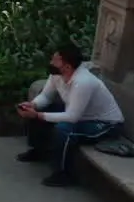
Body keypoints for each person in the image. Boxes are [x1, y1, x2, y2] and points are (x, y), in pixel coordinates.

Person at [16, 43, 125, 187]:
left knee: (64, 130)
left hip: (106, 124)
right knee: (44, 111)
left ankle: (64, 174)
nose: (51, 63)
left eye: (55, 60)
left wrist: (38, 115)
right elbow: (46, 96)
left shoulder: (83, 82)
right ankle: (39, 151)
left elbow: (72, 117)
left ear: (67, 66)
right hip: (80, 115)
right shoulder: (57, 75)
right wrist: (33, 105)